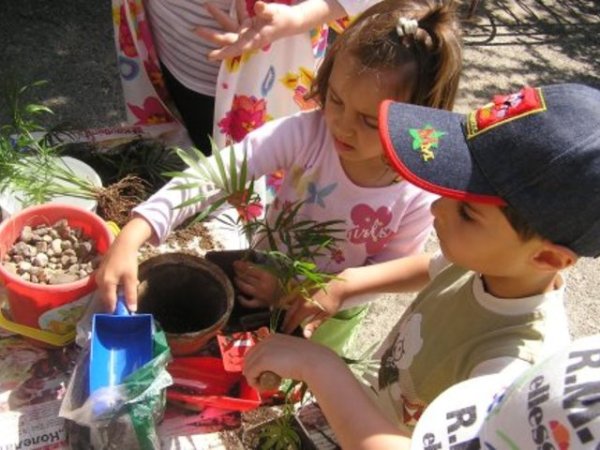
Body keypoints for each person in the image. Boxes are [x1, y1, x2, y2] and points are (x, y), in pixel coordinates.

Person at [96, 0, 462, 355]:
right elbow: (218, 173)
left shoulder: (417, 190)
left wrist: (309, 289)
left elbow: (397, 269)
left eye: (369, 121)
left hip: (334, 314)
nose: (343, 126)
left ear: (418, 118)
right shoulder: (308, 133)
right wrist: (137, 229)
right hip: (262, 273)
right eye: (335, 99)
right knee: (251, 355)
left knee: (299, 381)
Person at [243, 83, 600, 446]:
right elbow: (431, 266)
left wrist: (319, 366)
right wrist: (345, 284)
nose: (436, 208)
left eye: (467, 212)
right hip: (361, 408)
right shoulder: (489, 262)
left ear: (548, 257)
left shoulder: (514, 366)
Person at [112, 0, 368, 153]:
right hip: (171, 43)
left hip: (265, 66)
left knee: (253, 168)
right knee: (194, 139)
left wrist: (300, 16)